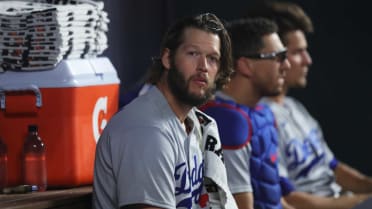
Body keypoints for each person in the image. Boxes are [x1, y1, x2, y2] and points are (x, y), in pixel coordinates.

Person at [92, 13, 238, 209]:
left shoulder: (196, 125)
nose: (203, 67)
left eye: (212, 58)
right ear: (168, 58)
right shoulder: (146, 131)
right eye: (193, 53)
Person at [245, 1, 372, 208]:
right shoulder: (258, 118)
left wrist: (368, 188)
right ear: (276, 55)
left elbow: (333, 168)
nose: (308, 60)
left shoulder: (295, 107)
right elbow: (290, 200)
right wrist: (362, 202)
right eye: (297, 52)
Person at [200, 17, 294, 209]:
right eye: (278, 57)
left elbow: (274, 200)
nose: (287, 66)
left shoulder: (262, 114)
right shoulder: (228, 122)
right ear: (245, 65)